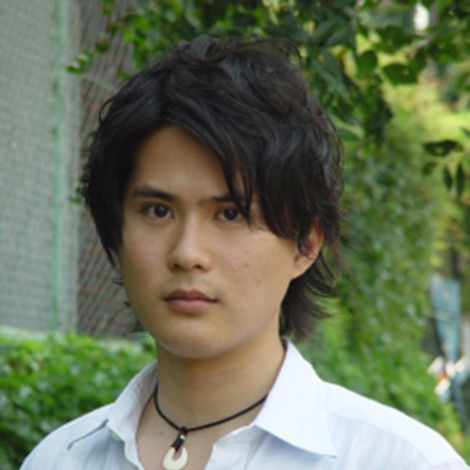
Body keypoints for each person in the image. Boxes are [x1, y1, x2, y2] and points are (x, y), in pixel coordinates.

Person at [21, 35, 467, 470]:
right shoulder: (59, 459)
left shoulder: (398, 459)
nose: (187, 253)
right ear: (115, 231)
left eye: (231, 214)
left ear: (305, 244)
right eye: (158, 211)